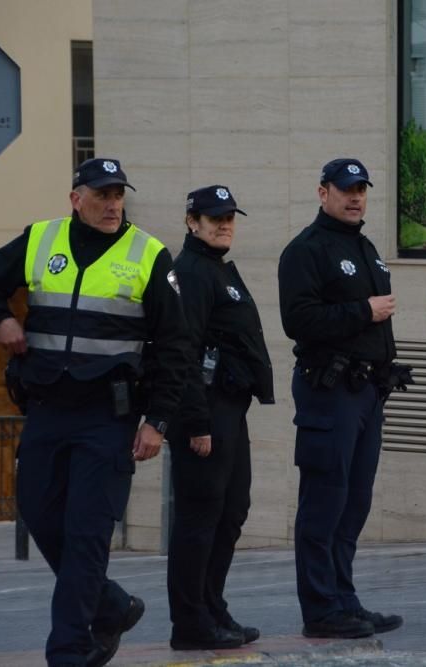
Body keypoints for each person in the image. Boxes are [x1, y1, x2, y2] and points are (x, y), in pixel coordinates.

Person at [0, 158, 191, 667]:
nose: (113, 205)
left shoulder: (149, 254)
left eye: (118, 196)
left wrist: (157, 421)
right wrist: (1, 320)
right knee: (41, 516)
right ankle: (110, 605)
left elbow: (176, 346)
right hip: (46, 408)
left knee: (87, 534)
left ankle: (68, 651)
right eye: (102, 195)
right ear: (76, 199)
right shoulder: (41, 239)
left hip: (107, 417)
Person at [278, 158, 404, 639]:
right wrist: (362, 311)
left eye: (362, 189)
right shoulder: (305, 250)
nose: (356, 197)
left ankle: (344, 599)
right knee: (324, 500)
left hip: (366, 391)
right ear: (323, 192)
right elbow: (300, 320)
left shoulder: (365, 247)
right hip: (328, 391)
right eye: (346, 189)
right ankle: (321, 609)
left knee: (354, 501)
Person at [166, 185, 274, 650]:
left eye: (230, 217)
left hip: (230, 408)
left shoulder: (216, 268)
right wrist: (196, 423)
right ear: (192, 221)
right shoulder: (190, 271)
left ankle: (210, 604)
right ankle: (189, 622)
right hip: (205, 412)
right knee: (200, 516)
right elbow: (182, 351)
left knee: (231, 511)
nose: (225, 224)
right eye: (215, 218)